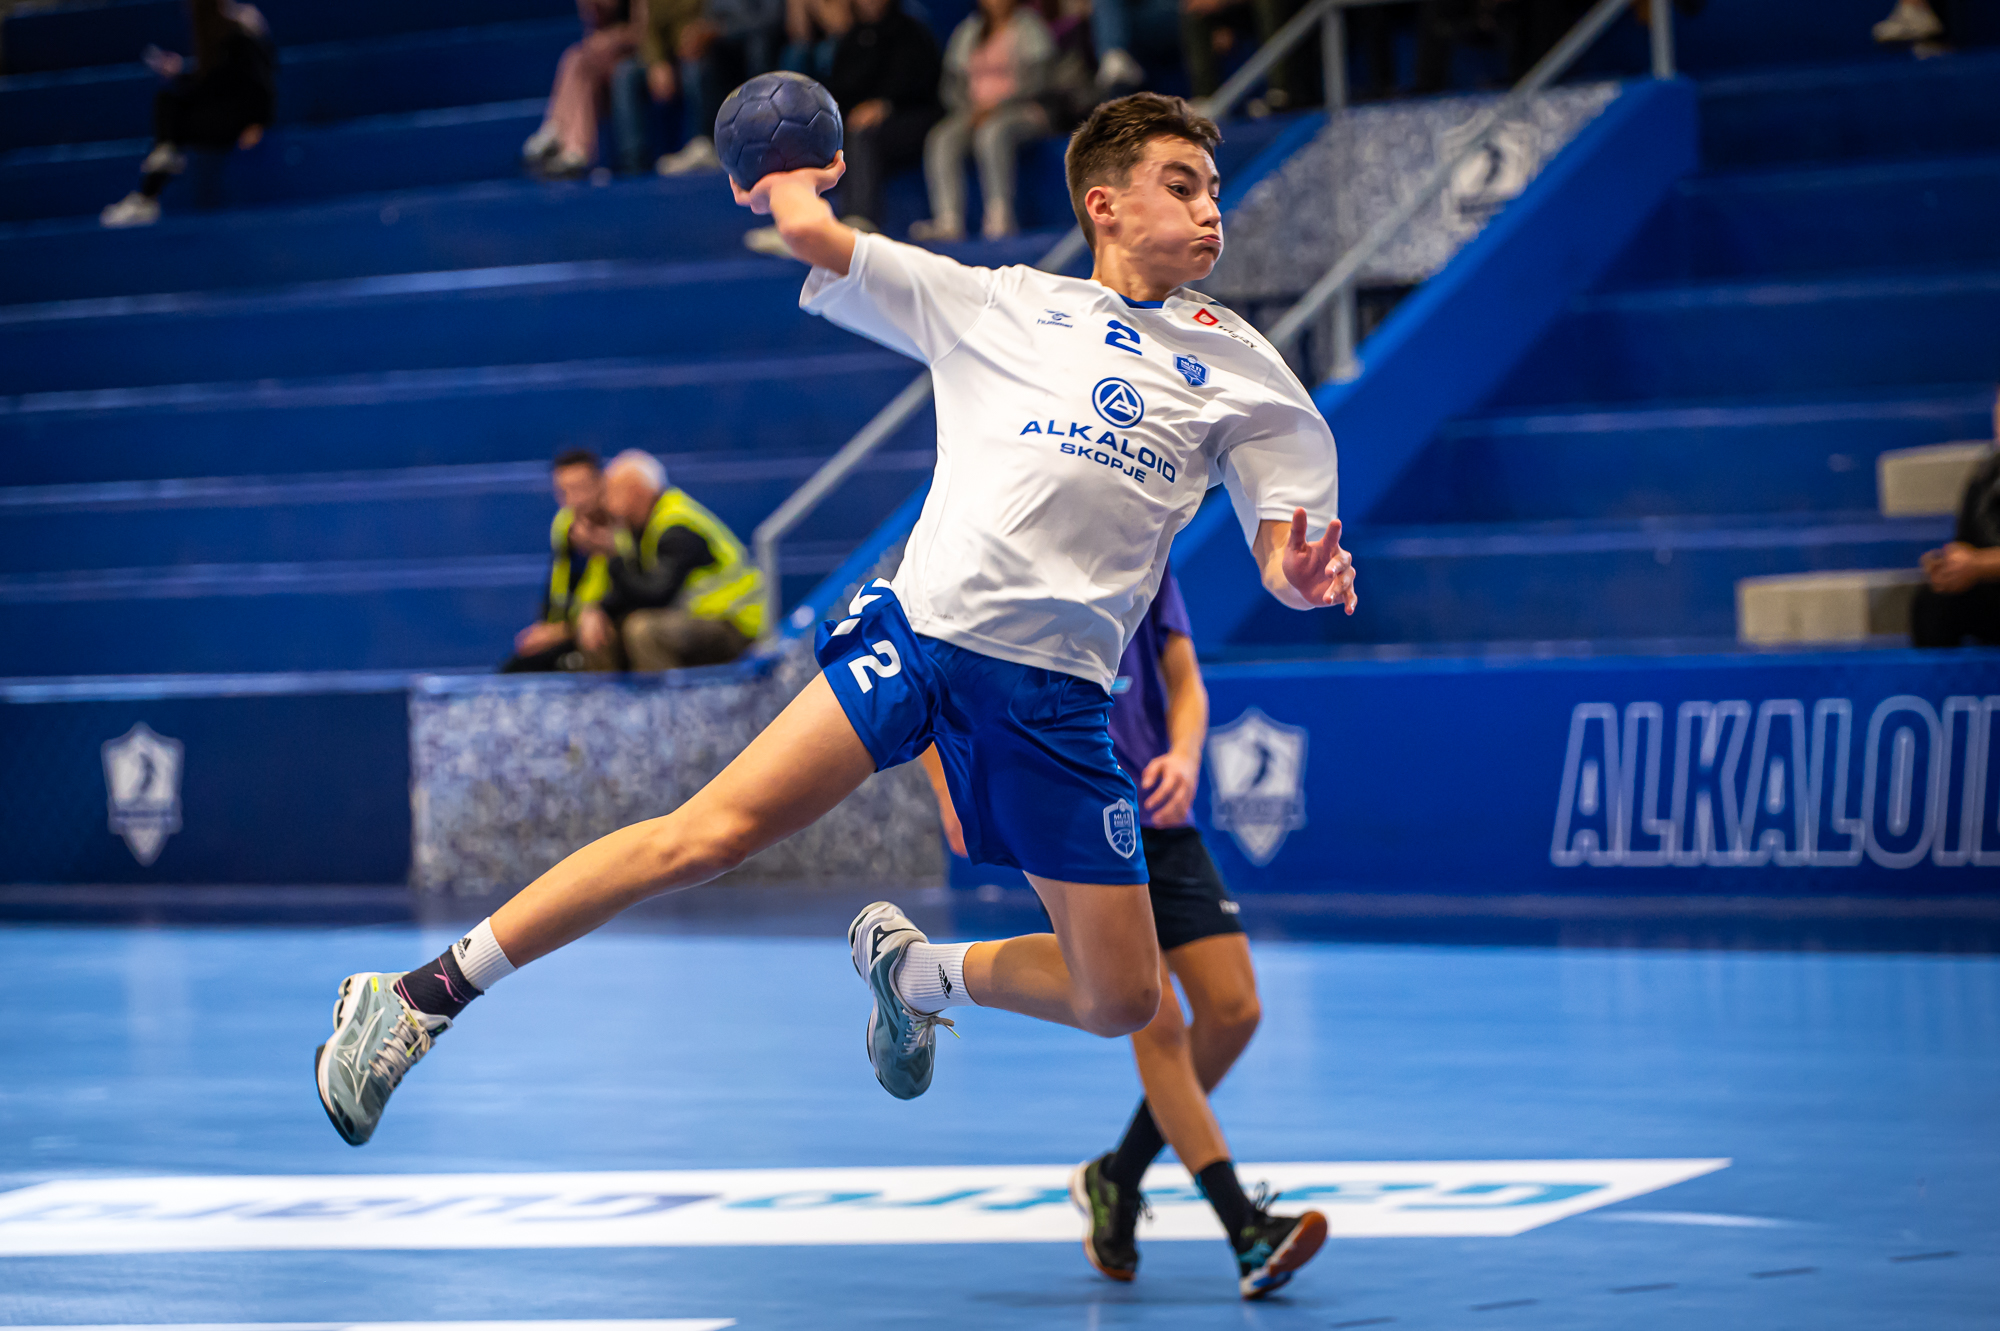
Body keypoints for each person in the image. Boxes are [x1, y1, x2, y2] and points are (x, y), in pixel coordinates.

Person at [313, 92, 1354, 1292]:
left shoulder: (1243, 369)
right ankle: (416, 997)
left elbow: (1280, 542)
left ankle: (912, 972)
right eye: (1181, 183)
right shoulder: (1000, 303)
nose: (1210, 207)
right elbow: (817, 235)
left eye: (1213, 187)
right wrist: (788, 179)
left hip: (1059, 701)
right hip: (919, 641)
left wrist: (1297, 571)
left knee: (1120, 995)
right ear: (1102, 203)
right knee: (702, 835)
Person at [919, 565, 1327, 1299]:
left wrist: (1186, 755)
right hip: (1074, 820)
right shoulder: (1010, 547)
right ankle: (1245, 1229)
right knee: (1155, 1018)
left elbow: (1185, 680)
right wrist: (950, 785)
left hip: (1161, 819)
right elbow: (926, 664)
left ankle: (1117, 1176)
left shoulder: (1146, 550)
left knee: (1235, 1010)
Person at [745, 0, 942, 252]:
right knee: (806, 137)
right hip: (855, 119)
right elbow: (839, 88)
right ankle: (796, 225)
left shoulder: (910, 31)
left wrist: (886, 104)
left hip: (909, 117)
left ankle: (859, 222)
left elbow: (923, 82)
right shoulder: (854, 37)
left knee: (861, 136)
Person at [573, 450, 766, 670]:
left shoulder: (678, 527)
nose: (606, 501)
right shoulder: (635, 529)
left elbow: (656, 595)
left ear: (637, 491)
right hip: (692, 621)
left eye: (612, 491)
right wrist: (597, 611)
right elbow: (630, 589)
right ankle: (605, 693)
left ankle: (665, 694)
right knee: (599, 629)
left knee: (643, 630)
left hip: (733, 624)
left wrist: (613, 556)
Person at [100, 0, 274, 229]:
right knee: (167, 101)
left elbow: (260, 78)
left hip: (235, 121)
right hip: (218, 114)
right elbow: (209, 85)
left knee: (174, 116)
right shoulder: (214, 35)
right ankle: (159, 166)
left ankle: (153, 184)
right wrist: (178, 73)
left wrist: (258, 121)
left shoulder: (239, 29)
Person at [913, 0, 1057, 240]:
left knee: (992, 133)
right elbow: (951, 85)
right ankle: (948, 220)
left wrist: (998, 106)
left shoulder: (1029, 26)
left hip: (1023, 110)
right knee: (942, 138)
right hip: (972, 113)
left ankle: (1000, 217)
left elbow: (1040, 82)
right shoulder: (969, 30)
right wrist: (969, 110)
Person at [502, 451, 615, 673]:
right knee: (515, 668)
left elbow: (626, 596)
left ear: (601, 484)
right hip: (567, 630)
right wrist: (546, 628)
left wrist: (562, 631)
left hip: (599, 630)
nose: (576, 499)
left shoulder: (621, 527)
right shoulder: (564, 524)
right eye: (565, 491)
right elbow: (556, 587)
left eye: (582, 488)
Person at [655, 0, 787, 174]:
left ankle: (764, 138)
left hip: (762, 39)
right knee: (699, 52)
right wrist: (703, 30)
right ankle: (705, 143)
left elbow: (773, 17)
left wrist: (721, 30)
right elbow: (711, 16)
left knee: (759, 47)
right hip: (726, 41)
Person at [523, 0, 650, 179]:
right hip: (606, 60)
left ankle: (559, 132)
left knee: (579, 59)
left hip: (637, 57)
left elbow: (644, 33)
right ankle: (571, 144)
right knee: (575, 58)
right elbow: (593, 32)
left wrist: (613, 38)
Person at [1911, 401, 2000, 648]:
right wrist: (1948, 566)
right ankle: (1940, 674)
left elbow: (1975, 560)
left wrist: (1978, 564)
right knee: (1934, 601)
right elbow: (1965, 541)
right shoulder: (1986, 473)